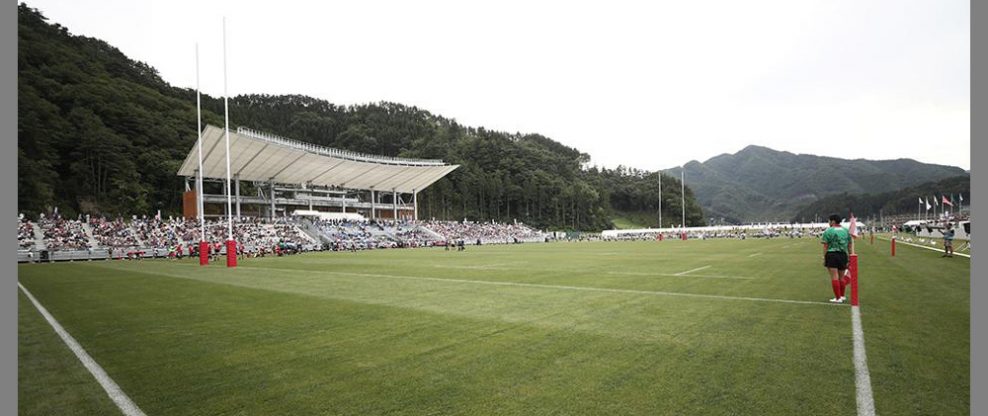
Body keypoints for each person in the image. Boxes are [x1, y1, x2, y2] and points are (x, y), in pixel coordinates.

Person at [820, 214, 853, 303]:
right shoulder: (846, 231)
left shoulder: (828, 231)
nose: (828, 223)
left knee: (834, 276)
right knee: (841, 277)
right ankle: (842, 296)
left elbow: (825, 246)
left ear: (833, 221)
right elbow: (850, 246)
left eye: (829, 221)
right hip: (843, 254)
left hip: (832, 254)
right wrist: (851, 256)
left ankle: (838, 298)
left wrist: (824, 257)